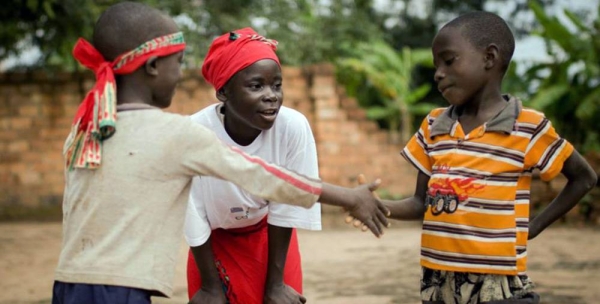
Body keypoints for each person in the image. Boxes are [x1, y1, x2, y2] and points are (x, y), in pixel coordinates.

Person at [52, 3, 390, 304]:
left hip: (68, 282)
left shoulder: (86, 128)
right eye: (179, 63)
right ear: (153, 66)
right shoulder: (177, 133)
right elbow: (265, 176)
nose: (181, 74)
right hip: (120, 287)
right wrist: (348, 197)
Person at [349, 11, 597, 304]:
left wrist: (534, 226)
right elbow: (420, 202)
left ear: (489, 58)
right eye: (435, 65)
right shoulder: (433, 126)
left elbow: (584, 178)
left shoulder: (527, 126)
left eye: (449, 60)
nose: (438, 73)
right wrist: (373, 204)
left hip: (497, 283)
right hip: (438, 280)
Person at [184, 28, 321, 304]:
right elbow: (192, 210)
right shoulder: (193, 134)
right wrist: (210, 286)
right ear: (223, 91)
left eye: (277, 85)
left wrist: (276, 285)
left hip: (272, 240)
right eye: (256, 86)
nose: (271, 96)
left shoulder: (292, 127)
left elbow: (287, 202)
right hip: (211, 245)